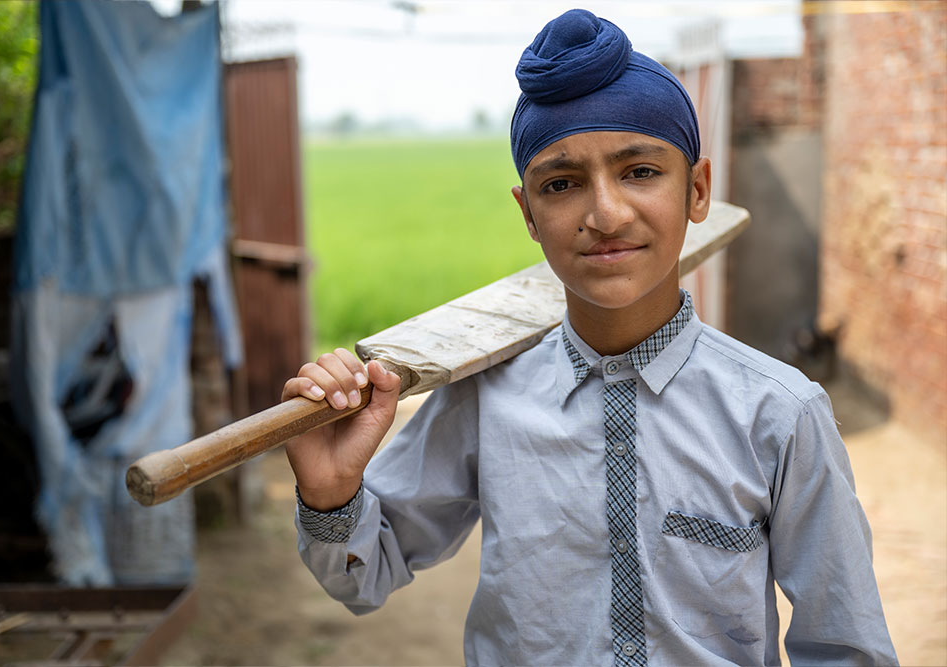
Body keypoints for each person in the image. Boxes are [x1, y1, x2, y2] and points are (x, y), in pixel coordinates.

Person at [282, 9, 897, 666]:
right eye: (562, 183)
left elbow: (846, 648)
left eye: (640, 172)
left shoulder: (780, 413)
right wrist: (331, 492)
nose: (604, 214)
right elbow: (361, 572)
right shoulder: (484, 396)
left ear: (697, 189)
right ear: (528, 213)